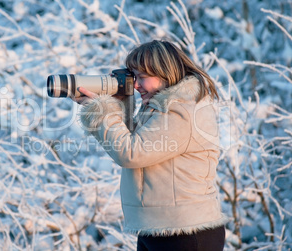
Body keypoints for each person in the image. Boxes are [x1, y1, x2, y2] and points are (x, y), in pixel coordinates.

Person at [73, 39, 226, 251]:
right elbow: (130, 140)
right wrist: (116, 103)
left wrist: (100, 110)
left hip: (185, 232)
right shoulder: (159, 107)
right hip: (158, 229)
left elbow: (130, 153)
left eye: (142, 78)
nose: (135, 85)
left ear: (166, 74)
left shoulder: (181, 109)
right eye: (134, 77)